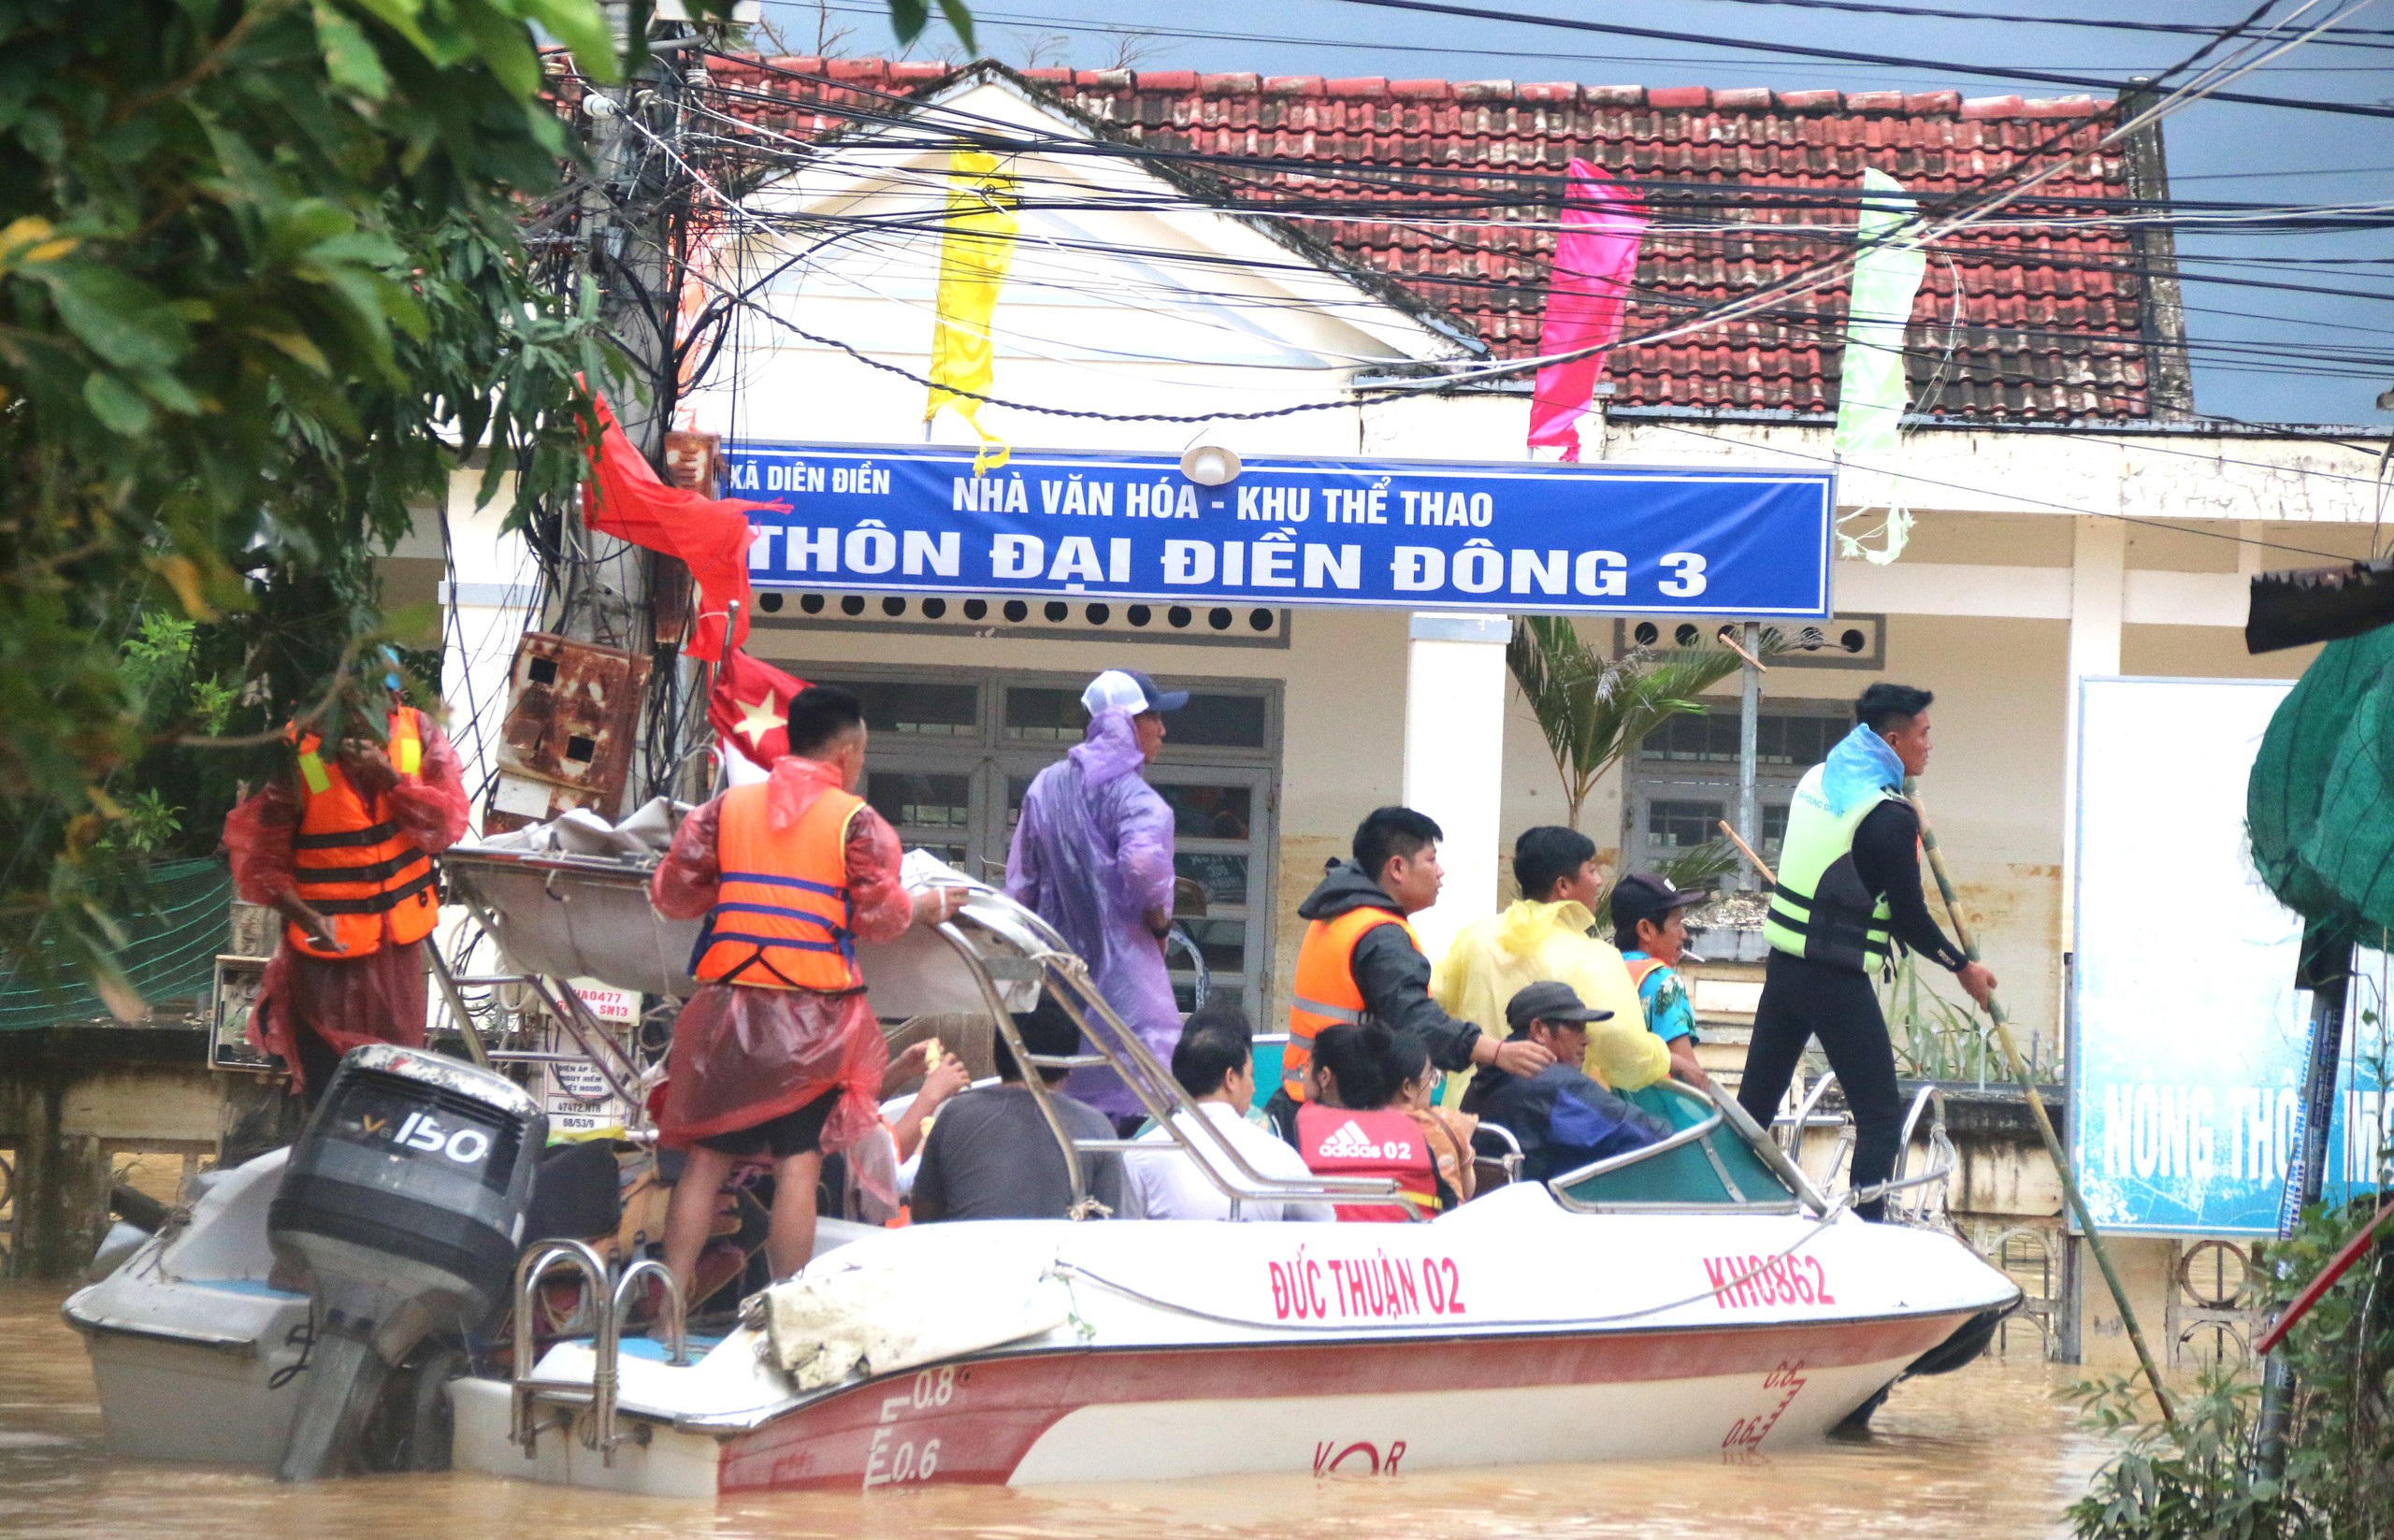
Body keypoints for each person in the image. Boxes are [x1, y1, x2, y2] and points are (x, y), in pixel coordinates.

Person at [651, 685, 972, 1292]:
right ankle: (785, 1315)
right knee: (798, 1165)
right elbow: (879, 918)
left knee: (705, 1163)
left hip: (724, 1015)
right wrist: (926, 905)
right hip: (809, 1024)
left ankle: (668, 1307)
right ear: (848, 751)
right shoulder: (858, 824)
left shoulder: (724, 810)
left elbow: (672, 894)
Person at [1740, 684, 1997, 1221]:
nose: (1931, 746)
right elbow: (1909, 917)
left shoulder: (1818, 778)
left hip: (1785, 970)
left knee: (1752, 1109)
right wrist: (1963, 969)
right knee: (1880, 1117)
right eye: (1924, 735)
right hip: (1834, 982)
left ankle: (1723, 1204)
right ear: (1894, 740)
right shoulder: (1888, 817)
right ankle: (1867, 1230)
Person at [223, 664, 470, 1103]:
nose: (365, 718)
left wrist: (392, 779)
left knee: (396, 1083)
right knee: (329, 1088)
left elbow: (447, 824)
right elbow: (261, 861)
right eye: (352, 705)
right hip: (325, 956)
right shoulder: (295, 750)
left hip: (398, 950)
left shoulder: (418, 733)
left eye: (378, 702)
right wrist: (305, 914)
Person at [1279, 807, 1556, 1141]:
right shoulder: (1381, 935)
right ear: (1397, 867)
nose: (1440, 872)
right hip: (1343, 1119)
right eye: (1430, 860)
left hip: (1305, 1099)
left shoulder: (1338, 913)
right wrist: (1498, 1052)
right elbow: (1417, 1022)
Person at [1007, 669, 1186, 1130]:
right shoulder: (1137, 800)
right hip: (1126, 989)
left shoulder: (1044, 786)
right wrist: (1158, 923)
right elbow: (1145, 868)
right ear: (1128, 722)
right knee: (1131, 1114)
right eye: (1153, 717)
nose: (1163, 729)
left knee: (1056, 1122)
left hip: (1055, 987)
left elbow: (1021, 885)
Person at [1432, 825, 1667, 1100]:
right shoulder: (1590, 955)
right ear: (1563, 886)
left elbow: (1431, 1006)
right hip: (1550, 1122)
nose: (1599, 881)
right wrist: (1664, 1057)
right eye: (1592, 870)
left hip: (1469, 1118)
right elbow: (1626, 1054)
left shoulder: (1475, 938)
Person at [912, 997, 1145, 1222]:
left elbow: (922, 1213)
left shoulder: (956, 1114)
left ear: (997, 1054)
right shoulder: (1096, 1127)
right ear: (1069, 1067)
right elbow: (1112, 1225)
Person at [1125, 1008, 1333, 1222]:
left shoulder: (1140, 1154)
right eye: (1250, 1075)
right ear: (1231, 1078)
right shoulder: (1279, 1155)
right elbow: (1323, 1227)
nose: (1253, 1088)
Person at [1463, 983, 1673, 1182]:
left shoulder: (1483, 1082)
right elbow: (1646, 1135)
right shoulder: (1556, 1085)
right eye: (1575, 1027)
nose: (1586, 1039)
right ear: (1539, 1030)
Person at [1291, 1024, 1437, 1222]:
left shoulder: (1298, 1130)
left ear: (1324, 1077)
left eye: (1306, 1068)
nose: (1304, 1075)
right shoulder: (1412, 1130)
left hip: (1326, 1249)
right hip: (1408, 1248)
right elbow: (1445, 1202)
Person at [1608, 872, 1714, 1094]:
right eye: (1676, 923)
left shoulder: (1602, 970)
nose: (1684, 934)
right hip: (1658, 1117)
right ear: (1645, 930)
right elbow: (1690, 1078)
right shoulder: (1663, 981)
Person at [1385, 1029, 1477, 1208]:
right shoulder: (1441, 1124)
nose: (1432, 1087)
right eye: (1431, 1077)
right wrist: (1463, 1142)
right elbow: (1466, 1191)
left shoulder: (1357, 1119)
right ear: (1407, 1087)